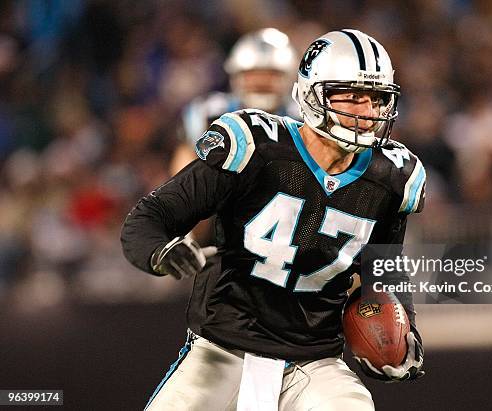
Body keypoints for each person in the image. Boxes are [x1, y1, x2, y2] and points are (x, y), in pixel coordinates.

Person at [121, 29, 426, 411]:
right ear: (313, 94)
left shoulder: (393, 176)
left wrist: (405, 329)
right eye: (350, 96)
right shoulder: (253, 146)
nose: (366, 112)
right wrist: (160, 251)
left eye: (377, 99)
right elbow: (150, 216)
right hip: (221, 349)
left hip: (315, 360)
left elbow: (384, 266)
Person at [170, 27, 300, 175]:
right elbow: (182, 172)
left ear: (288, 77)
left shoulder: (302, 119)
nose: (260, 82)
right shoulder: (208, 113)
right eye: (252, 74)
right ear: (236, 77)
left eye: (271, 74)